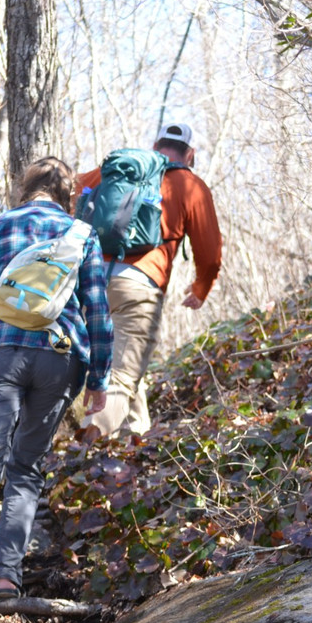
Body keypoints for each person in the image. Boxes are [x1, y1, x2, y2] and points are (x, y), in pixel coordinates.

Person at [0, 156, 113, 623]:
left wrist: (3, 302)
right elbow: (98, 310)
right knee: (26, 468)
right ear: (66, 196)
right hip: (59, 357)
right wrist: (99, 380)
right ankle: (5, 579)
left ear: (26, 188)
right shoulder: (81, 235)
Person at [76, 123, 222, 437]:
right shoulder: (189, 184)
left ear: (155, 147)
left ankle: (135, 443)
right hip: (139, 285)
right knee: (122, 378)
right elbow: (209, 253)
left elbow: (72, 192)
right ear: (190, 154)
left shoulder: (113, 173)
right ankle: (84, 447)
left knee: (128, 368)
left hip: (89, 281)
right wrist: (201, 288)